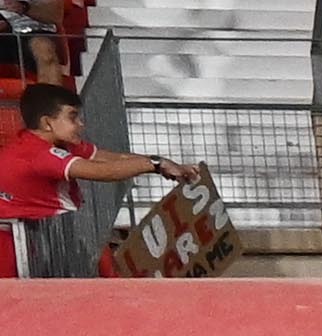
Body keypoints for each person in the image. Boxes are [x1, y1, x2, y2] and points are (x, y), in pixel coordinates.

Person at [0, 80, 204, 273]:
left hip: (50, 233)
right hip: (15, 245)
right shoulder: (38, 154)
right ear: (47, 123)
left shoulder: (54, 144)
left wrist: (162, 163)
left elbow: (106, 158)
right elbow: (101, 171)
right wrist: (155, 164)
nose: (81, 124)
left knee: (107, 278)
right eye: (72, 117)